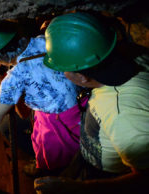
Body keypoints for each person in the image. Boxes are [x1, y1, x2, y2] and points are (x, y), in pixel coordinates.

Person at [34, 12, 149, 194]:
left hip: (106, 178)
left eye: (64, 70)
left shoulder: (123, 117)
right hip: (92, 155)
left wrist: (78, 188)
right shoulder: (130, 54)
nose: (63, 74)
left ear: (81, 76)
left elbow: (144, 179)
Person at [0, 21, 84, 173]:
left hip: (59, 127)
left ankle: (50, 170)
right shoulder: (46, 39)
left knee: (5, 127)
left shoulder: (14, 78)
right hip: (82, 108)